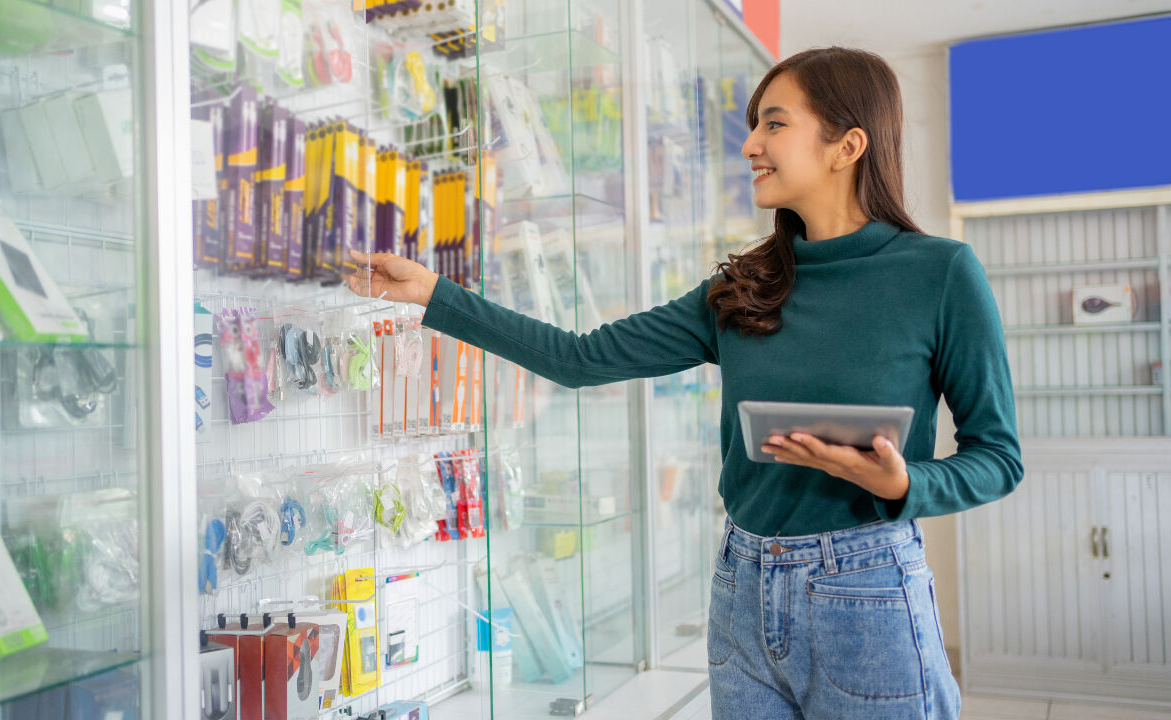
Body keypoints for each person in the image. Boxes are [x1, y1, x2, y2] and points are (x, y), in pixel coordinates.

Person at [346, 47, 1021, 720]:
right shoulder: (744, 288)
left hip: (868, 586)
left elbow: (998, 457)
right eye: (754, 124)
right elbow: (580, 359)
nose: (751, 143)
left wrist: (904, 485)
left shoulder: (941, 274)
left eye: (775, 124)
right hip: (742, 586)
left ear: (847, 145)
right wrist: (435, 295)